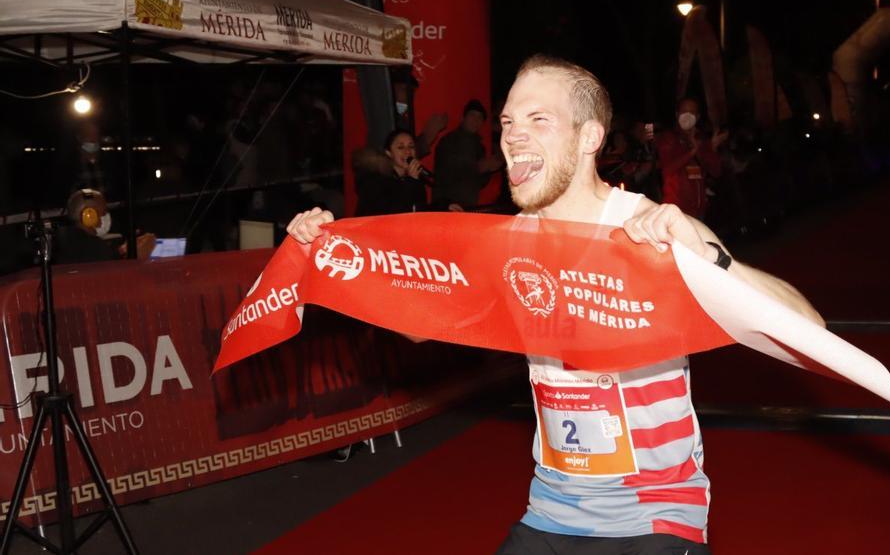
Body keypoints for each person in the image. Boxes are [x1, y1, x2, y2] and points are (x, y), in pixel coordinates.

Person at [287, 55, 824, 553]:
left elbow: (809, 332)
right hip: (551, 512)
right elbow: (421, 328)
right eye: (507, 123)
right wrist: (336, 265)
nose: (513, 136)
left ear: (589, 137)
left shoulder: (651, 232)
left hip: (656, 519)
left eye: (538, 119)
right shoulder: (508, 244)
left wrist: (709, 257)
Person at [656, 98, 726, 219]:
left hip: (699, 211)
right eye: (684, 111)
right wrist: (692, 152)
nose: (688, 116)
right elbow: (667, 170)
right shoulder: (668, 138)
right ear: (677, 114)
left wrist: (712, 148)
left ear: (697, 117)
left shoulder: (701, 139)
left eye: (692, 112)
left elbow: (716, 171)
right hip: (677, 211)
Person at [432, 99, 505, 209]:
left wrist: (488, 170)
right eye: (472, 115)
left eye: (480, 117)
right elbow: (446, 174)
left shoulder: (479, 146)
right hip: (446, 204)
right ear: (463, 118)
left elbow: (479, 183)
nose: (476, 120)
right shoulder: (449, 140)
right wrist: (479, 167)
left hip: (469, 204)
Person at [56, 189, 155, 264]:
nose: (106, 216)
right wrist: (139, 256)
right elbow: (119, 275)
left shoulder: (63, 240)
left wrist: (122, 250)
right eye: (104, 212)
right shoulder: (95, 248)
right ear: (89, 216)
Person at [354, 129, 432, 216]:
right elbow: (391, 212)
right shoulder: (376, 180)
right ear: (389, 153)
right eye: (401, 147)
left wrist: (444, 205)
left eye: (411, 146)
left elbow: (421, 211)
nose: (408, 151)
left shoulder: (415, 179)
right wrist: (411, 181)